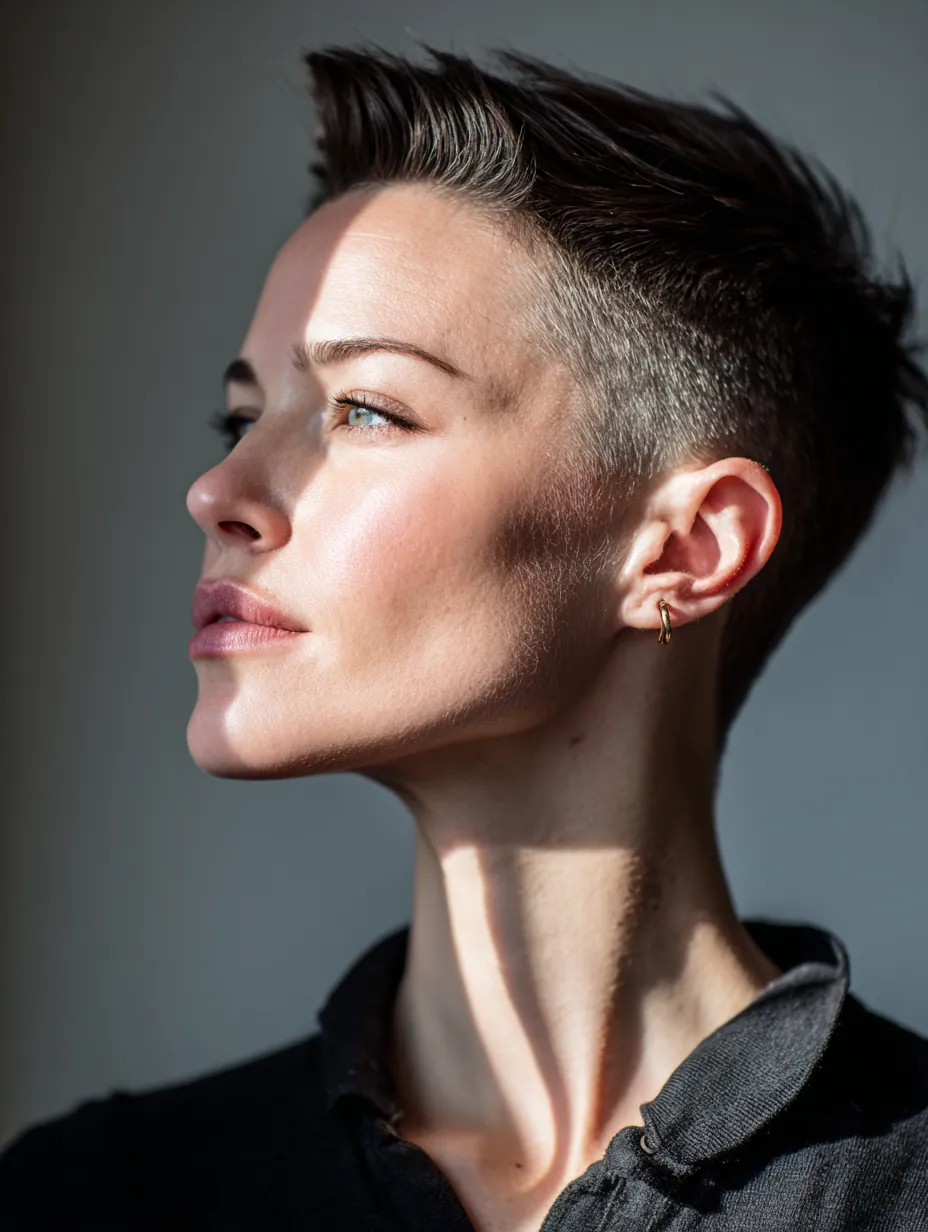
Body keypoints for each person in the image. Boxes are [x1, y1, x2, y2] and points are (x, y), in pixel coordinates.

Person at [2, 42, 927, 1232]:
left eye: (365, 409)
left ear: (688, 548)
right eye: (243, 414)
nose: (217, 487)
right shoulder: (103, 1199)